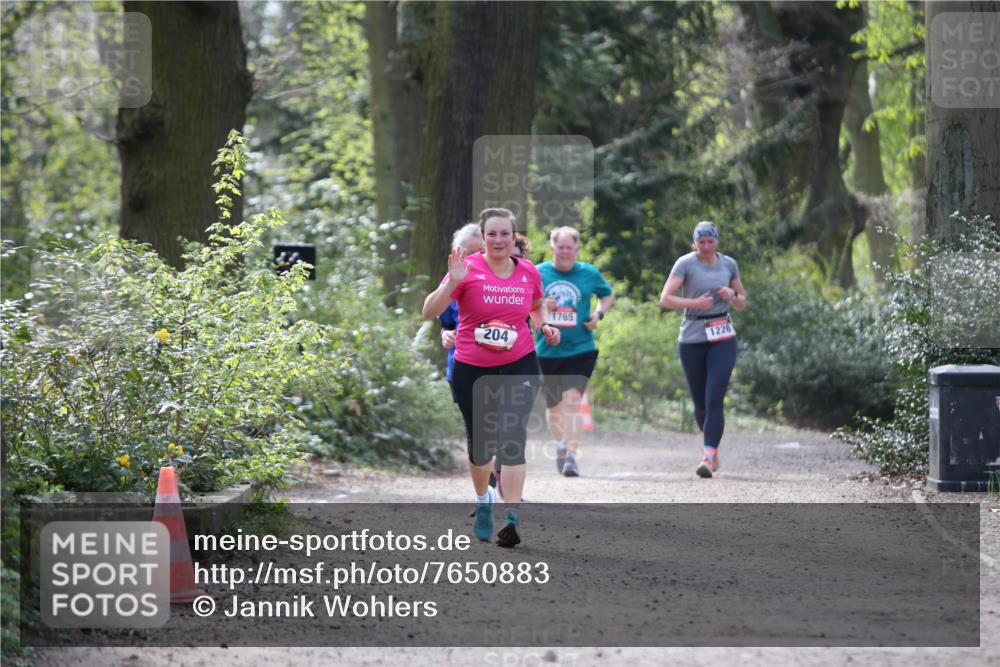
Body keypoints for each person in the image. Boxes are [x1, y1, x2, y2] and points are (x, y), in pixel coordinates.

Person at [423, 207, 560, 547]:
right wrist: (451, 282)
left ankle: (511, 517)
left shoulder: (528, 271)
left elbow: (536, 304)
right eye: (492, 234)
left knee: (513, 439)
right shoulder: (466, 269)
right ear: (483, 239)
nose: (499, 240)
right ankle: (483, 499)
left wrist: (544, 324)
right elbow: (429, 311)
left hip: (520, 363)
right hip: (472, 368)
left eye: (505, 234)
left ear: (514, 238)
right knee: (481, 445)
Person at [658, 221, 746, 478]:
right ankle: (712, 451)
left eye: (710, 241)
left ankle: (708, 455)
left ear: (717, 241)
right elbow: (665, 298)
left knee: (714, 398)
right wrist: (694, 302)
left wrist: (732, 295)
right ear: (694, 242)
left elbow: (742, 303)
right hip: (692, 336)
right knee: (700, 404)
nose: (706, 246)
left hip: (722, 335)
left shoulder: (729, 264)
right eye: (701, 242)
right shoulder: (685, 264)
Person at [535, 226, 614, 477]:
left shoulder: (589, 273)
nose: (565, 252)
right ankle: (560, 445)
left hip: (581, 348)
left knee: (572, 401)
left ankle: (571, 456)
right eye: (561, 247)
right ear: (552, 248)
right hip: (546, 350)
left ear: (577, 249)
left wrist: (598, 314)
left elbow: (608, 294)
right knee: (554, 408)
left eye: (570, 247)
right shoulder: (538, 273)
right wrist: (541, 305)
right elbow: (526, 304)